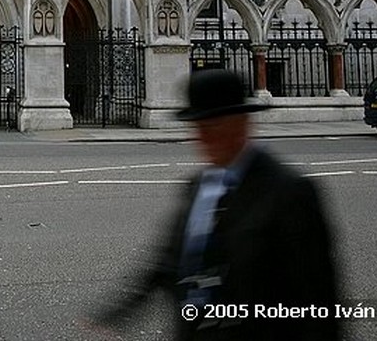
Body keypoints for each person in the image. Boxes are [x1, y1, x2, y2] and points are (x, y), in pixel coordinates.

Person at [88, 69, 341, 341]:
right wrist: (119, 310)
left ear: (242, 124)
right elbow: (168, 262)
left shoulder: (289, 191)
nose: (204, 139)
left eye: (214, 128)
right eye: (198, 128)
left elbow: (319, 301)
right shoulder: (198, 186)